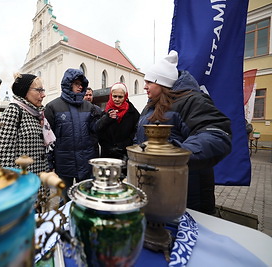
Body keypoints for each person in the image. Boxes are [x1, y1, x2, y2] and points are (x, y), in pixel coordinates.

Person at [135, 50, 232, 215]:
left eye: (149, 82)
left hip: (189, 195)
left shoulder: (193, 101)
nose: (144, 86)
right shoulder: (150, 106)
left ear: (163, 82)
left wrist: (176, 154)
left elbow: (216, 133)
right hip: (158, 190)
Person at [0, 73, 55, 208]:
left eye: (43, 90)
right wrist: (9, 189)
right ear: (25, 91)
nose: (43, 95)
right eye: (39, 90)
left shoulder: (37, 114)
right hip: (21, 186)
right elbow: (2, 157)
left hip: (37, 184)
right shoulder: (14, 111)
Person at [45, 68, 101, 199]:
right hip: (64, 164)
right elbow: (48, 139)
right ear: (68, 84)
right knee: (65, 201)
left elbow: (95, 132)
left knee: (86, 200)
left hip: (86, 163)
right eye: (76, 83)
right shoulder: (53, 107)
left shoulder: (89, 107)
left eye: (82, 84)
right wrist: (49, 163)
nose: (80, 86)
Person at [96, 82, 140, 167]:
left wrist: (123, 146)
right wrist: (109, 147)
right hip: (107, 156)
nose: (117, 99)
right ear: (111, 96)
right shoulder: (105, 112)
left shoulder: (133, 113)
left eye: (120, 97)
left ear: (125, 97)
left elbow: (135, 132)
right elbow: (99, 131)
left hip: (125, 155)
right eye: (114, 96)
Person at [84, 87, 102, 157]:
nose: (88, 97)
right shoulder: (78, 110)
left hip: (94, 146)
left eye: (90, 95)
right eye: (86, 95)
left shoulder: (98, 109)